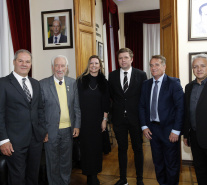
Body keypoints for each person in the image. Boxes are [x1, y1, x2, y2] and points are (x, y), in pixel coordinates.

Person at [0, 49, 47, 185]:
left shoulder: (35, 83)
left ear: (30, 64)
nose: (24, 64)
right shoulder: (1, 83)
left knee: (33, 176)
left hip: (35, 139)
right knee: (17, 177)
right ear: (14, 62)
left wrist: (42, 130)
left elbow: (39, 109)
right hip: (14, 141)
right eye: (20, 61)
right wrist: (3, 140)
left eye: (27, 61)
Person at [139, 55, 184, 185]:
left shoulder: (174, 83)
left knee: (171, 164)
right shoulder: (146, 84)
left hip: (170, 131)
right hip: (152, 130)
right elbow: (141, 106)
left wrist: (176, 130)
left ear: (164, 66)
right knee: (158, 163)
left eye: (157, 64)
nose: (153, 68)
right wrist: (144, 126)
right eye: (151, 65)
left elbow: (180, 108)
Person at [39, 55, 81, 185]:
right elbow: (39, 111)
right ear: (52, 68)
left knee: (66, 162)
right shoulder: (42, 84)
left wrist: (77, 126)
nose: (59, 68)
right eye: (57, 65)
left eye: (62, 65)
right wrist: (43, 131)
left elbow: (76, 106)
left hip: (68, 130)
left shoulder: (72, 83)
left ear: (67, 68)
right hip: (50, 131)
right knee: (52, 163)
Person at [109, 48, 147, 185]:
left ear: (132, 59)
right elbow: (112, 96)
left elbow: (144, 98)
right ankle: (123, 179)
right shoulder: (112, 76)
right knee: (122, 149)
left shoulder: (141, 75)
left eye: (125, 57)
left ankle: (140, 179)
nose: (123, 60)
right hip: (119, 120)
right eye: (120, 58)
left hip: (136, 119)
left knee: (138, 149)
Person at [183, 54, 207, 185]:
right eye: (195, 67)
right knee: (200, 171)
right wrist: (186, 134)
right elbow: (187, 113)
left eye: (202, 66)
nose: (199, 69)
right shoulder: (188, 87)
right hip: (195, 139)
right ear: (192, 69)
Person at [77, 55, 110, 185]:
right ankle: (88, 175)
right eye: (91, 63)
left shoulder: (104, 82)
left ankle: (94, 175)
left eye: (96, 63)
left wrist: (104, 120)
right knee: (86, 149)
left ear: (100, 66)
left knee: (96, 149)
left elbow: (106, 103)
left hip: (98, 121)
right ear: (88, 65)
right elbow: (76, 103)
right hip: (84, 121)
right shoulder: (80, 81)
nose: (94, 65)